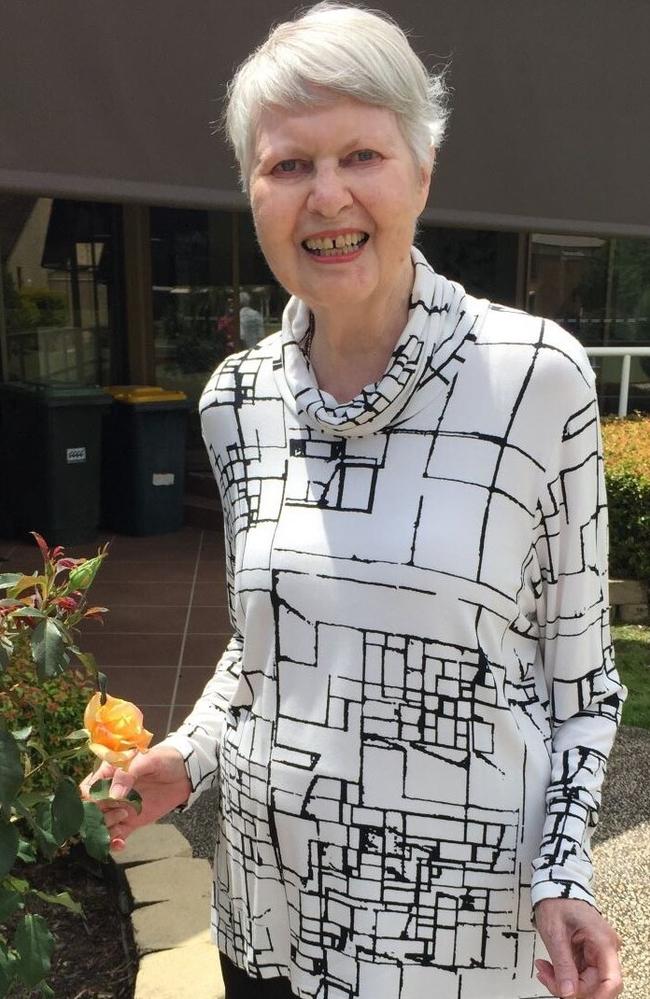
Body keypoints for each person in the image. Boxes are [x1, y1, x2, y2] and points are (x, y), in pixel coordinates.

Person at [81, 4, 626, 998]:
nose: (325, 197)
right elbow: (262, 654)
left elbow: (579, 687)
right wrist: (188, 758)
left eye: (361, 154)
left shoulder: (534, 379)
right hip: (267, 920)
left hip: (453, 943)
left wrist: (560, 871)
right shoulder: (234, 400)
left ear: (420, 169)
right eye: (288, 165)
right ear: (251, 190)